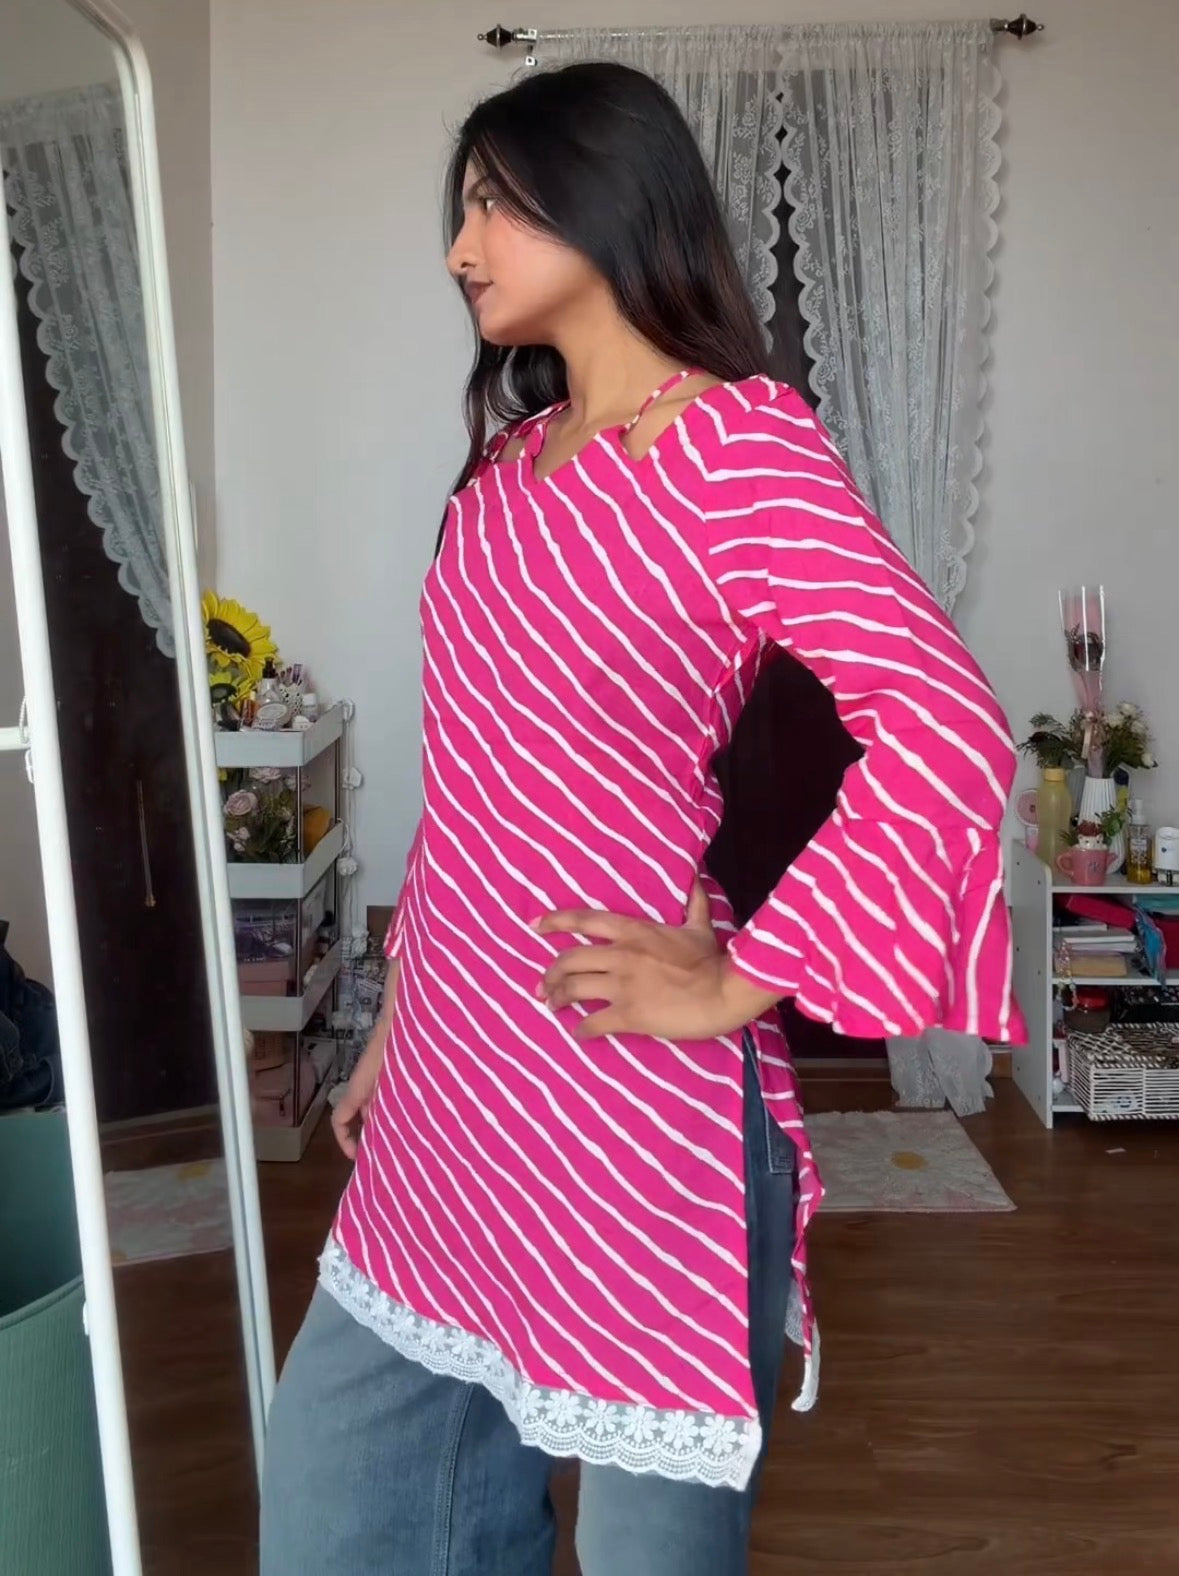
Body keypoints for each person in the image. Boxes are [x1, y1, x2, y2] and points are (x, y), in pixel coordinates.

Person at [260, 61, 1024, 1575]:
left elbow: (947, 722)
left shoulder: (738, 447)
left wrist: (742, 979)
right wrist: (401, 1026)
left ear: (605, 198)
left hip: (630, 1094)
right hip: (455, 1082)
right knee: (344, 1502)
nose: (460, 248)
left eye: (493, 204)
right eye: (460, 210)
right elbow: (474, 780)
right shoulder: (501, 472)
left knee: (647, 1548)